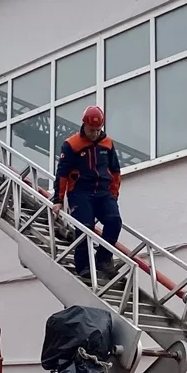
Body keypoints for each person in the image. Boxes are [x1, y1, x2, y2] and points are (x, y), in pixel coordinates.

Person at [51, 105, 123, 278]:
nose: (95, 134)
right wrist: (58, 200)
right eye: (92, 130)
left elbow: (115, 171)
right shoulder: (71, 145)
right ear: (84, 125)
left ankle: (103, 260)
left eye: (98, 130)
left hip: (104, 192)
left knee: (114, 221)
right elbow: (62, 173)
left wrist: (113, 194)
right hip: (80, 192)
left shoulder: (107, 144)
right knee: (85, 227)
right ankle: (83, 266)